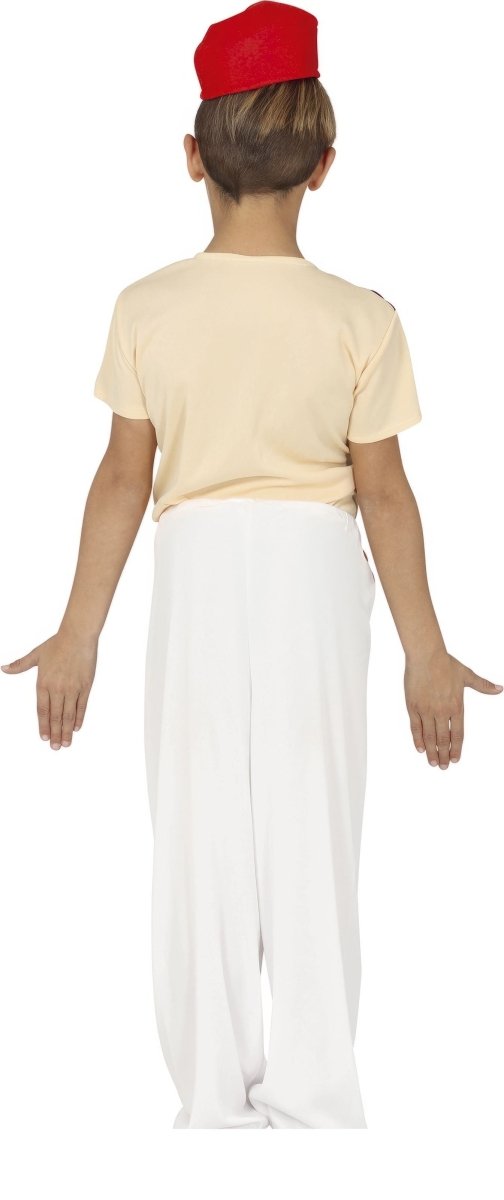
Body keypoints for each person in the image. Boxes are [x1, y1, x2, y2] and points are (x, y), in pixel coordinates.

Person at [2, 0, 502, 1129]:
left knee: (198, 834)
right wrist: (424, 650)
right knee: (313, 829)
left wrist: (80, 630)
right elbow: (384, 492)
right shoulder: (362, 319)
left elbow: (123, 477)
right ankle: (318, 1102)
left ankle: (212, 1106)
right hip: (317, 581)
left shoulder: (146, 307)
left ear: (194, 156)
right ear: (325, 164)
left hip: (194, 577)